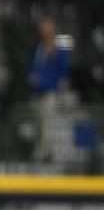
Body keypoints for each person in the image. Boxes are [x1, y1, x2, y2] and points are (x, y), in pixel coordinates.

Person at [27, 16, 72, 162]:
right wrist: (32, 77)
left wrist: (51, 82)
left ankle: (42, 155)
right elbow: (33, 65)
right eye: (42, 28)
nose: (43, 31)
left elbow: (63, 68)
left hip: (49, 92)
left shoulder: (59, 47)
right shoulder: (38, 46)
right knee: (37, 123)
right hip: (36, 91)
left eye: (46, 28)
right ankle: (39, 150)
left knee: (46, 122)